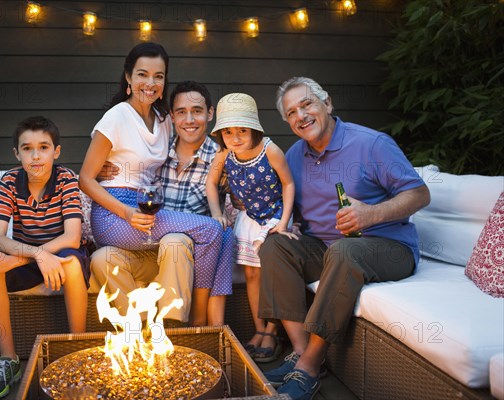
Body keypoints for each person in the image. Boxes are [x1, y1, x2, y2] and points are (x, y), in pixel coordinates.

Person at [260, 77, 430, 400]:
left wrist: (370, 213)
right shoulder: (295, 156)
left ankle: (310, 367)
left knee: (345, 250)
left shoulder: (371, 144)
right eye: (292, 112)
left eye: (307, 104)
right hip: (327, 250)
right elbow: (287, 201)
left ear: (327, 103)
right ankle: (299, 353)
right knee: (276, 244)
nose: (301, 115)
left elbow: (420, 194)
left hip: (388, 247)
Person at [79, 43, 231, 327]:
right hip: (116, 214)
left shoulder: (163, 120)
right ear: (128, 77)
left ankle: (155, 331)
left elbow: (166, 153)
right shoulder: (116, 117)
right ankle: (198, 322)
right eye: (142, 74)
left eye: (158, 76)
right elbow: (85, 178)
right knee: (212, 229)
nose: (150, 83)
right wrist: (125, 211)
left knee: (220, 233)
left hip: (144, 207)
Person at [0, 116, 90, 399]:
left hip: (61, 251)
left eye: (43, 147)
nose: (36, 155)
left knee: (72, 264)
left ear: (57, 151)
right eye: (27, 148)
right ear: (17, 153)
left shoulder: (66, 180)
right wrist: (34, 255)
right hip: (29, 252)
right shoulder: (10, 181)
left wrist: (24, 257)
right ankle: (8, 360)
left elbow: (72, 237)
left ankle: (77, 350)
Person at [206, 93, 296, 363]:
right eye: (228, 131)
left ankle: (273, 330)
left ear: (254, 128)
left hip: (274, 218)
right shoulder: (224, 154)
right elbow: (211, 184)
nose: (235, 137)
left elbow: (289, 185)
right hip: (248, 217)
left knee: (272, 274)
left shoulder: (271, 150)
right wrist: (217, 213)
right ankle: (259, 329)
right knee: (252, 275)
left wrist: (283, 222)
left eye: (242, 130)